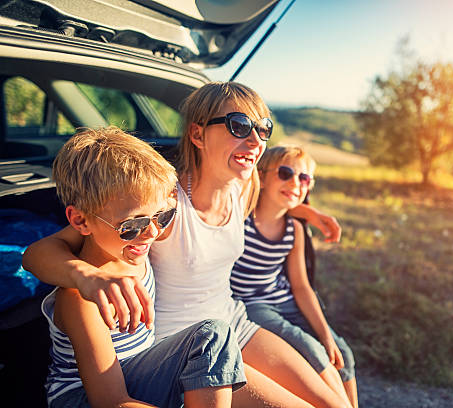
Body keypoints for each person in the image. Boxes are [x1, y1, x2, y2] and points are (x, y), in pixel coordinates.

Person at [23, 82, 348, 408]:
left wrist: (310, 213)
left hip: (231, 321)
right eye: (240, 125)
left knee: (333, 403)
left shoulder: (244, 186)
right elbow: (40, 253)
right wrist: (83, 276)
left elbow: (280, 197)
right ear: (197, 134)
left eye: (264, 129)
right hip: (183, 343)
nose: (255, 140)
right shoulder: (162, 204)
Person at [43, 127, 244, 408]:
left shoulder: (134, 244)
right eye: (132, 225)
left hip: (138, 372)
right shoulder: (81, 298)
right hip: (83, 398)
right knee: (211, 337)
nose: (151, 232)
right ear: (80, 221)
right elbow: (111, 401)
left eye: (163, 216)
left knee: (212, 338)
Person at [230, 145, 358, 407]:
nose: (295, 183)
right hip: (251, 305)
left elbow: (301, 287)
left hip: (285, 299)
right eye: (286, 173)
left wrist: (326, 335)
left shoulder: (294, 231)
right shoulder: (241, 217)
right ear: (262, 177)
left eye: (304, 178)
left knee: (340, 350)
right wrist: (312, 213)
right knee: (309, 348)